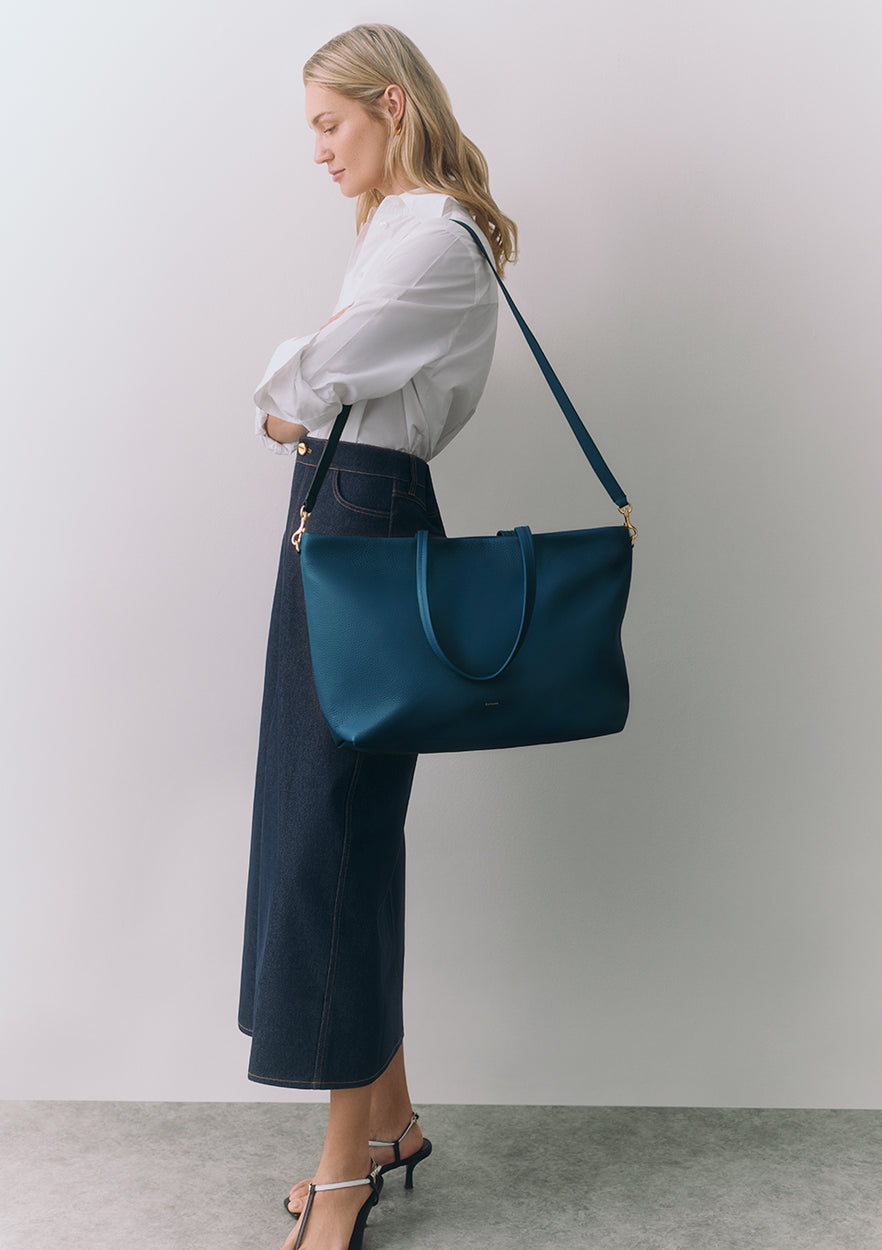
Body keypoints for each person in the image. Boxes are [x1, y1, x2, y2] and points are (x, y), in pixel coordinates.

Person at [238, 23, 517, 1250]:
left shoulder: (438, 237)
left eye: (329, 125)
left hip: (365, 514)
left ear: (390, 106)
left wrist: (286, 395)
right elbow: (333, 385)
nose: (316, 151)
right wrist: (305, 406)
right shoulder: (402, 231)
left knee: (335, 836)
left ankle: (345, 1170)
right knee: (327, 819)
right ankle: (391, 1115)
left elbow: (323, 374)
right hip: (340, 516)